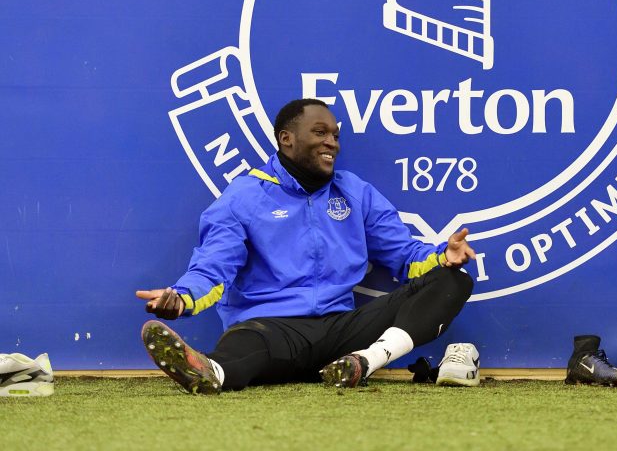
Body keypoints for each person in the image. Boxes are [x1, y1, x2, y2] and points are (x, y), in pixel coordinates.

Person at [136, 99, 476, 393]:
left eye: (335, 135)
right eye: (320, 133)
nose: (332, 143)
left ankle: (363, 363)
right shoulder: (244, 197)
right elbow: (214, 266)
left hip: (343, 332)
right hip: (274, 329)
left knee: (453, 280)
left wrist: (443, 256)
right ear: (286, 139)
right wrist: (183, 297)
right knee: (245, 343)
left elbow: (405, 257)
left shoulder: (354, 192)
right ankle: (212, 372)